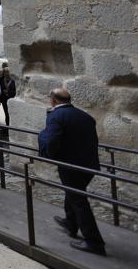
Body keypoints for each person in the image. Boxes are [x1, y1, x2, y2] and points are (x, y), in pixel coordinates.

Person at [38, 89, 106, 256]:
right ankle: (70, 223)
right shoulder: (85, 115)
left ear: (53, 100)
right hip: (89, 164)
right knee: (73, 192)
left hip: (71, 165)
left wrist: (46, 152)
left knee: (79, 200)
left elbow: (52, 140)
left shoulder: (55, 116)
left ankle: (94, 242)